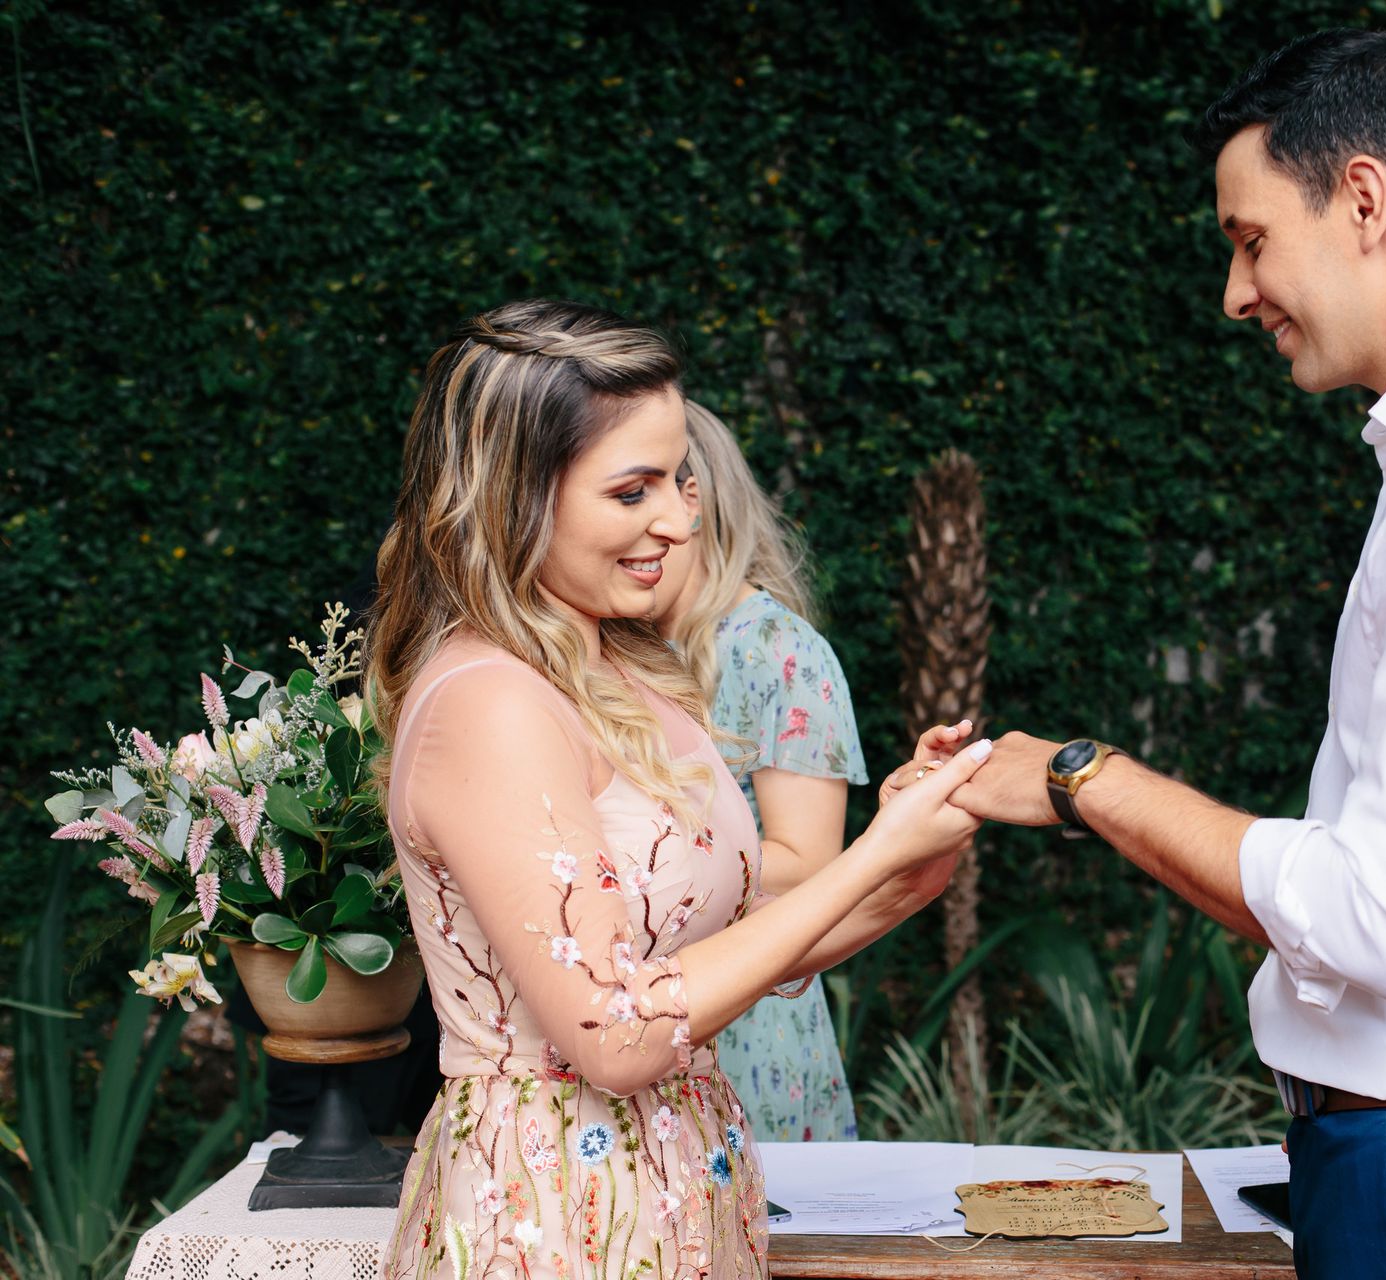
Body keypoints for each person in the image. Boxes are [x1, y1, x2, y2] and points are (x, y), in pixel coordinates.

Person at [911, 30, 1386, 1278]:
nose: (1235, 291)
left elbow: (1381, 916)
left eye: (1251, 238)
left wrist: (1082, 777)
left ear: (1365, 200)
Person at [367, 298, 990, 1278]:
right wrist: (871, 853)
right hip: (555, 1219)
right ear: (514, 497)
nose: (680, 515)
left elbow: (718, 958)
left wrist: (906, 867)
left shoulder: (622, 667)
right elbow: (617, 1034)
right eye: (633, 489)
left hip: (676, 1195)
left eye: (680, 477)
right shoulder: (490, 700)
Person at [648, 399, 868, 1142]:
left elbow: (809, 863)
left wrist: (636, 880)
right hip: (646, 1011)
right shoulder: (625, 652)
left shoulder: (780, 651)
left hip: (750, 1024)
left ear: (693, 503)